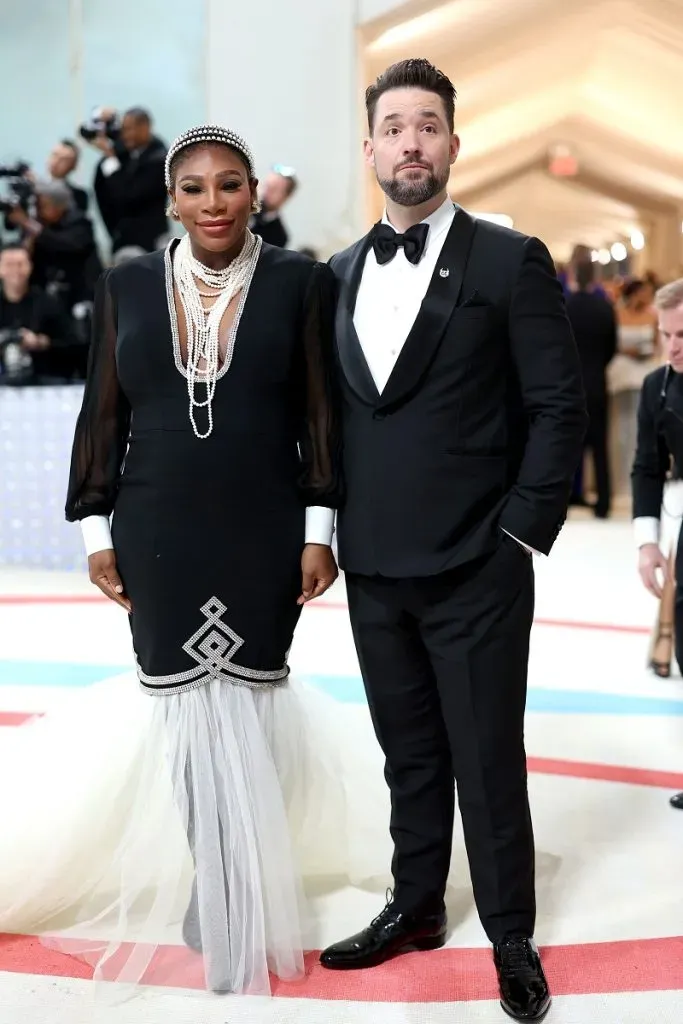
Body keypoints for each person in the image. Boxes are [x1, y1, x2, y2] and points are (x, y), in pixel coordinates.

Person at [0, 124, 346, 999]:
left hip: (265, 525)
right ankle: (215, 884)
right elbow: (102, 414)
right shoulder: (126, 284)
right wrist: (94, 532)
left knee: (254, 711)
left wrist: (319, 529)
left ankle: (249, 887)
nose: (213, 203)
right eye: (193, 188)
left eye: (229, 185)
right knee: (183, 716)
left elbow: (320, 413)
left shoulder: (300, 281)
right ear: (169, 199)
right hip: (154, 527)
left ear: (253, 191)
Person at [320, 59, 587, 1023]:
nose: (411, 143)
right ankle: (417, 904)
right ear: (371, 149)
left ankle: (509, 931)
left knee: (486, 752)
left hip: (479, 559)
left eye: (427, 125)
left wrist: (519, 530)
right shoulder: (336, 276)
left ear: (451, 144)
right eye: (394, 127)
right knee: (410, 753)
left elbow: (559, 407)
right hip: (373, 563)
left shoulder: (507, 259)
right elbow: (329, 422)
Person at [631, 277, 683, 807]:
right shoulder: (657, 387)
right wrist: (648, 543)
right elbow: (646, 467)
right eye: (665, 333)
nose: (672, 346)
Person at [565, 258, 617, 517]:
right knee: (600, 445)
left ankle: (568, 497)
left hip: (570, 383)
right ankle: (603, 502)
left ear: (574, 275)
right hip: (597, 381)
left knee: (567, 442)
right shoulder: (604, 306)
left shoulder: (566, 305)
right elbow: (612, 346)